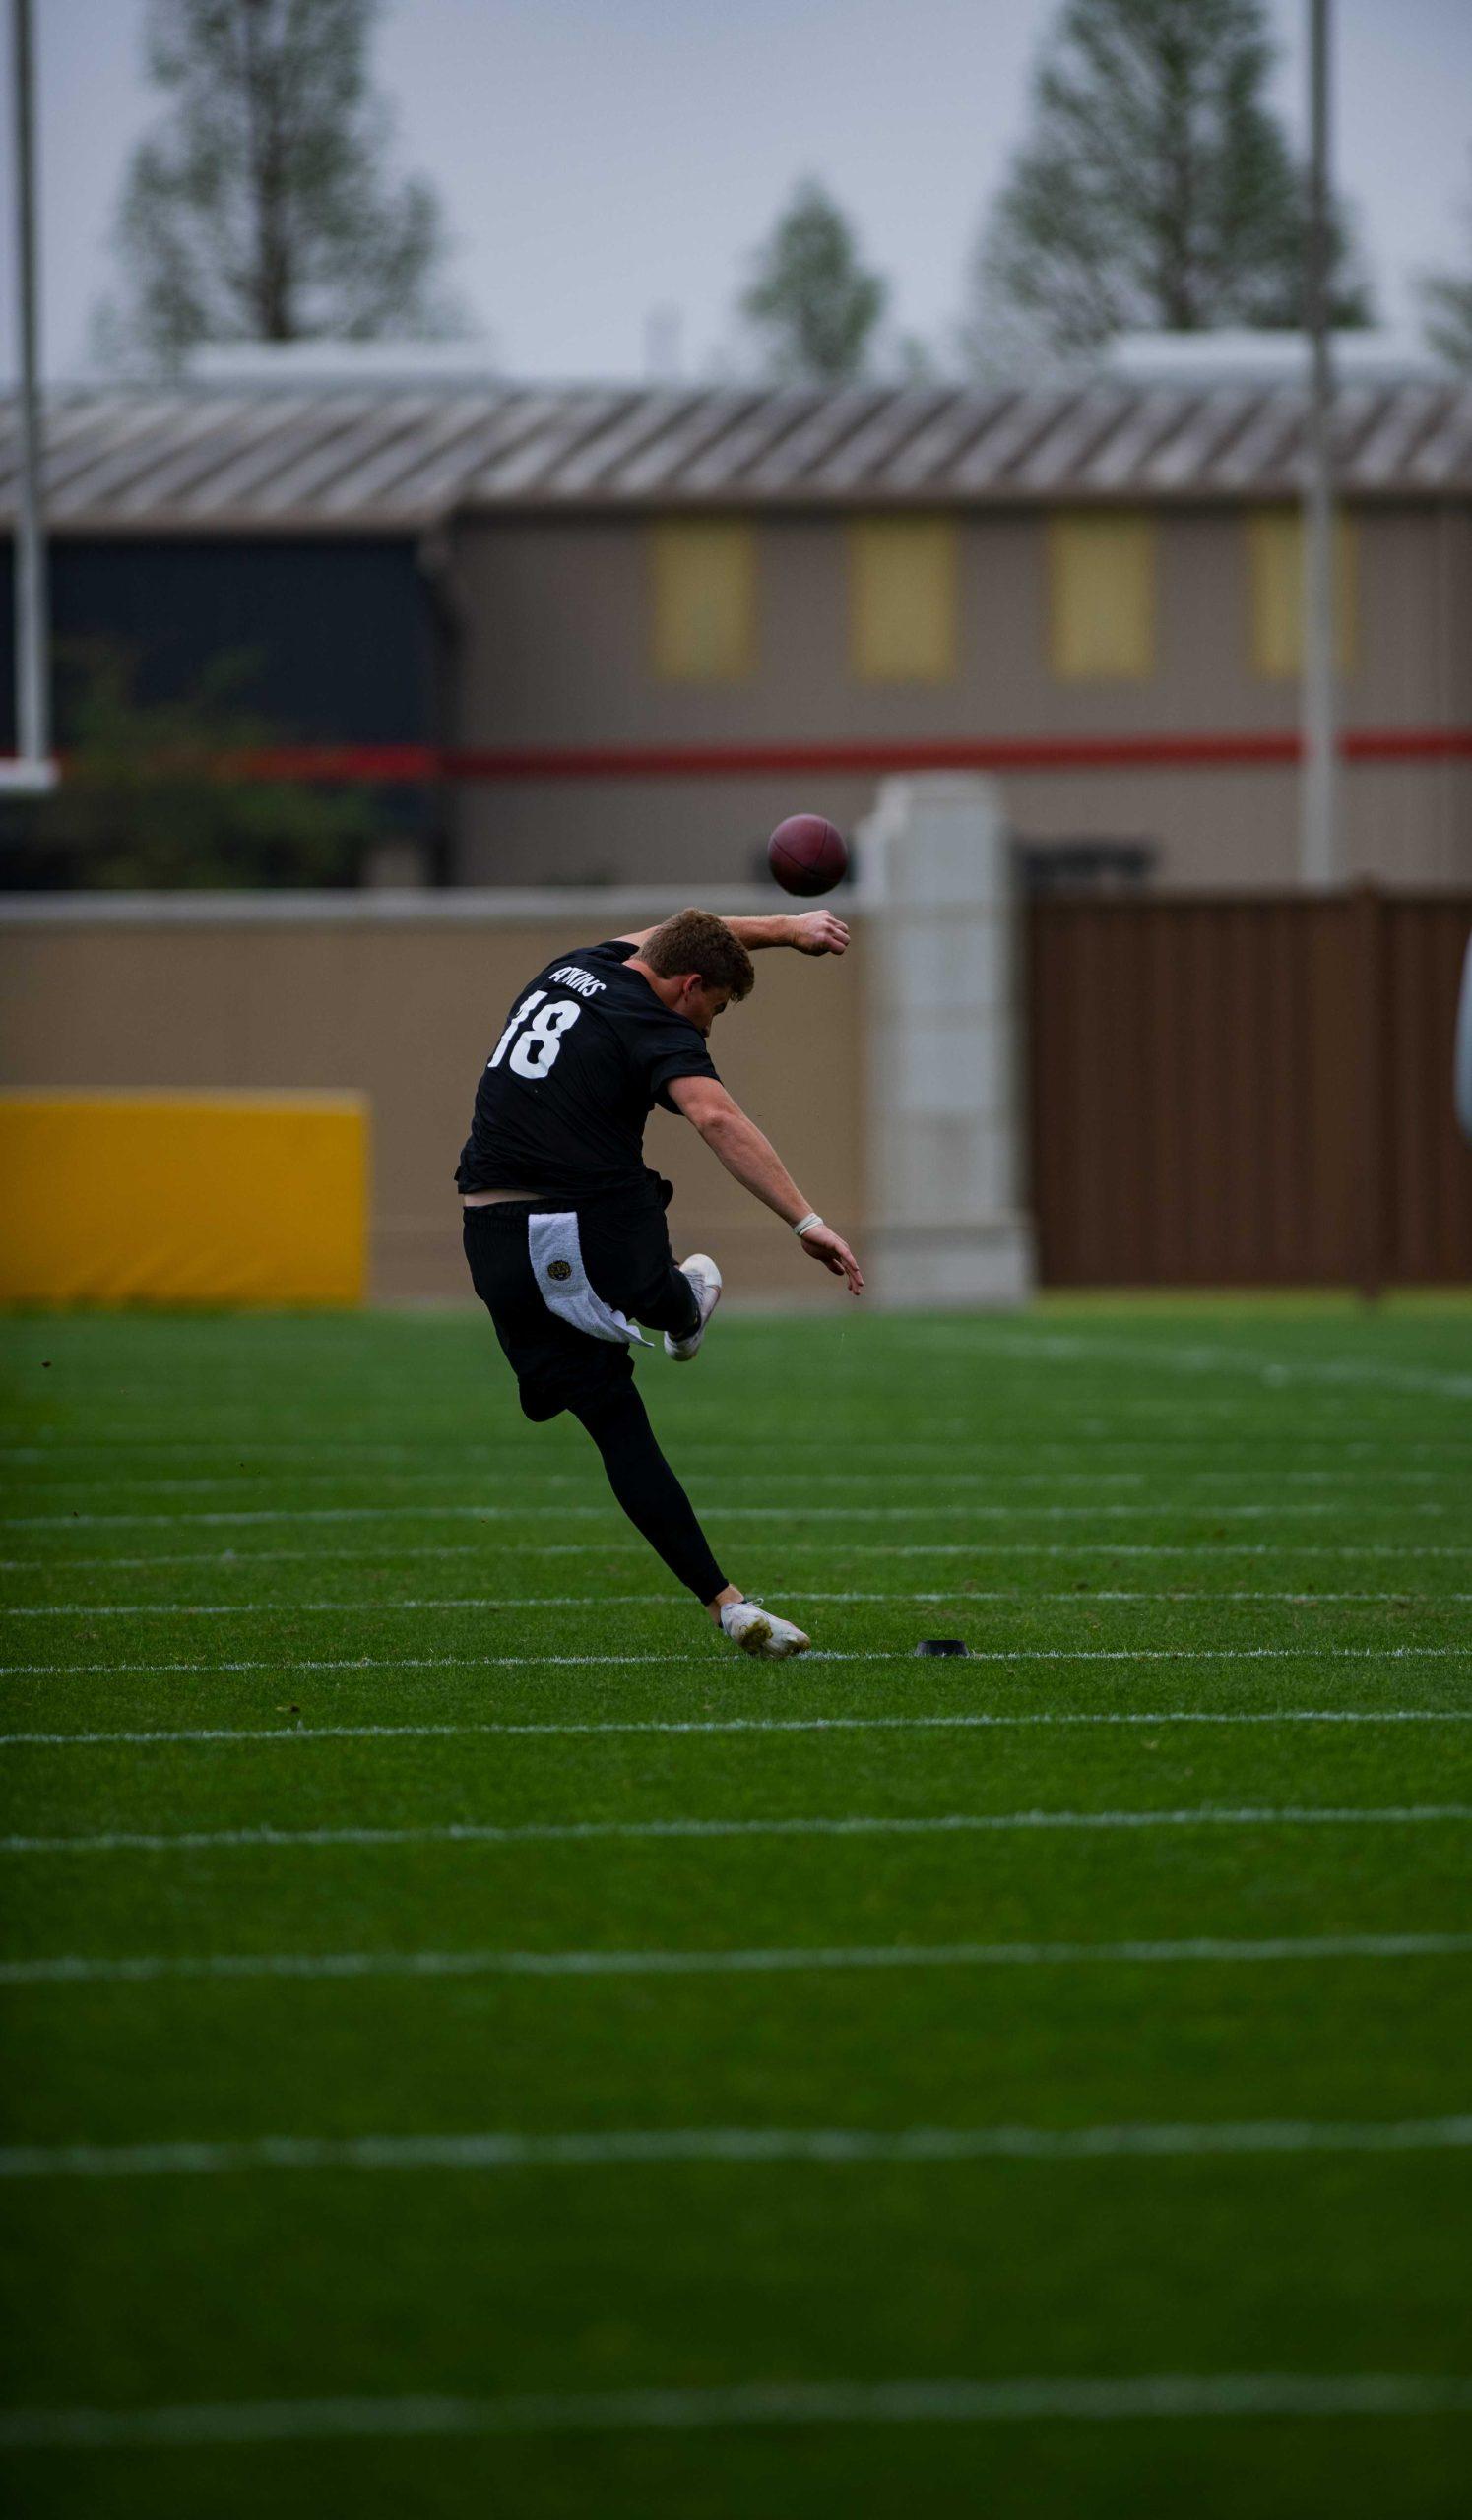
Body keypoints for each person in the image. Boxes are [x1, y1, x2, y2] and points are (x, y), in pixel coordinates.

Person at [458, 906, 864, 1658]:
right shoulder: (657, 1024)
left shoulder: (573, 965)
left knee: (613, 1419)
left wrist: (784, 929)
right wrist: (806, 1223)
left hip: (488, 1241)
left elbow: (664, 933)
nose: (709, 1027)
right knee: (641, 1213)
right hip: (570, 1231)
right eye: (714, 1007)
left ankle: (728, 1606)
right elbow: (715, 1118)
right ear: (688, 985)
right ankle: (681, 1303)